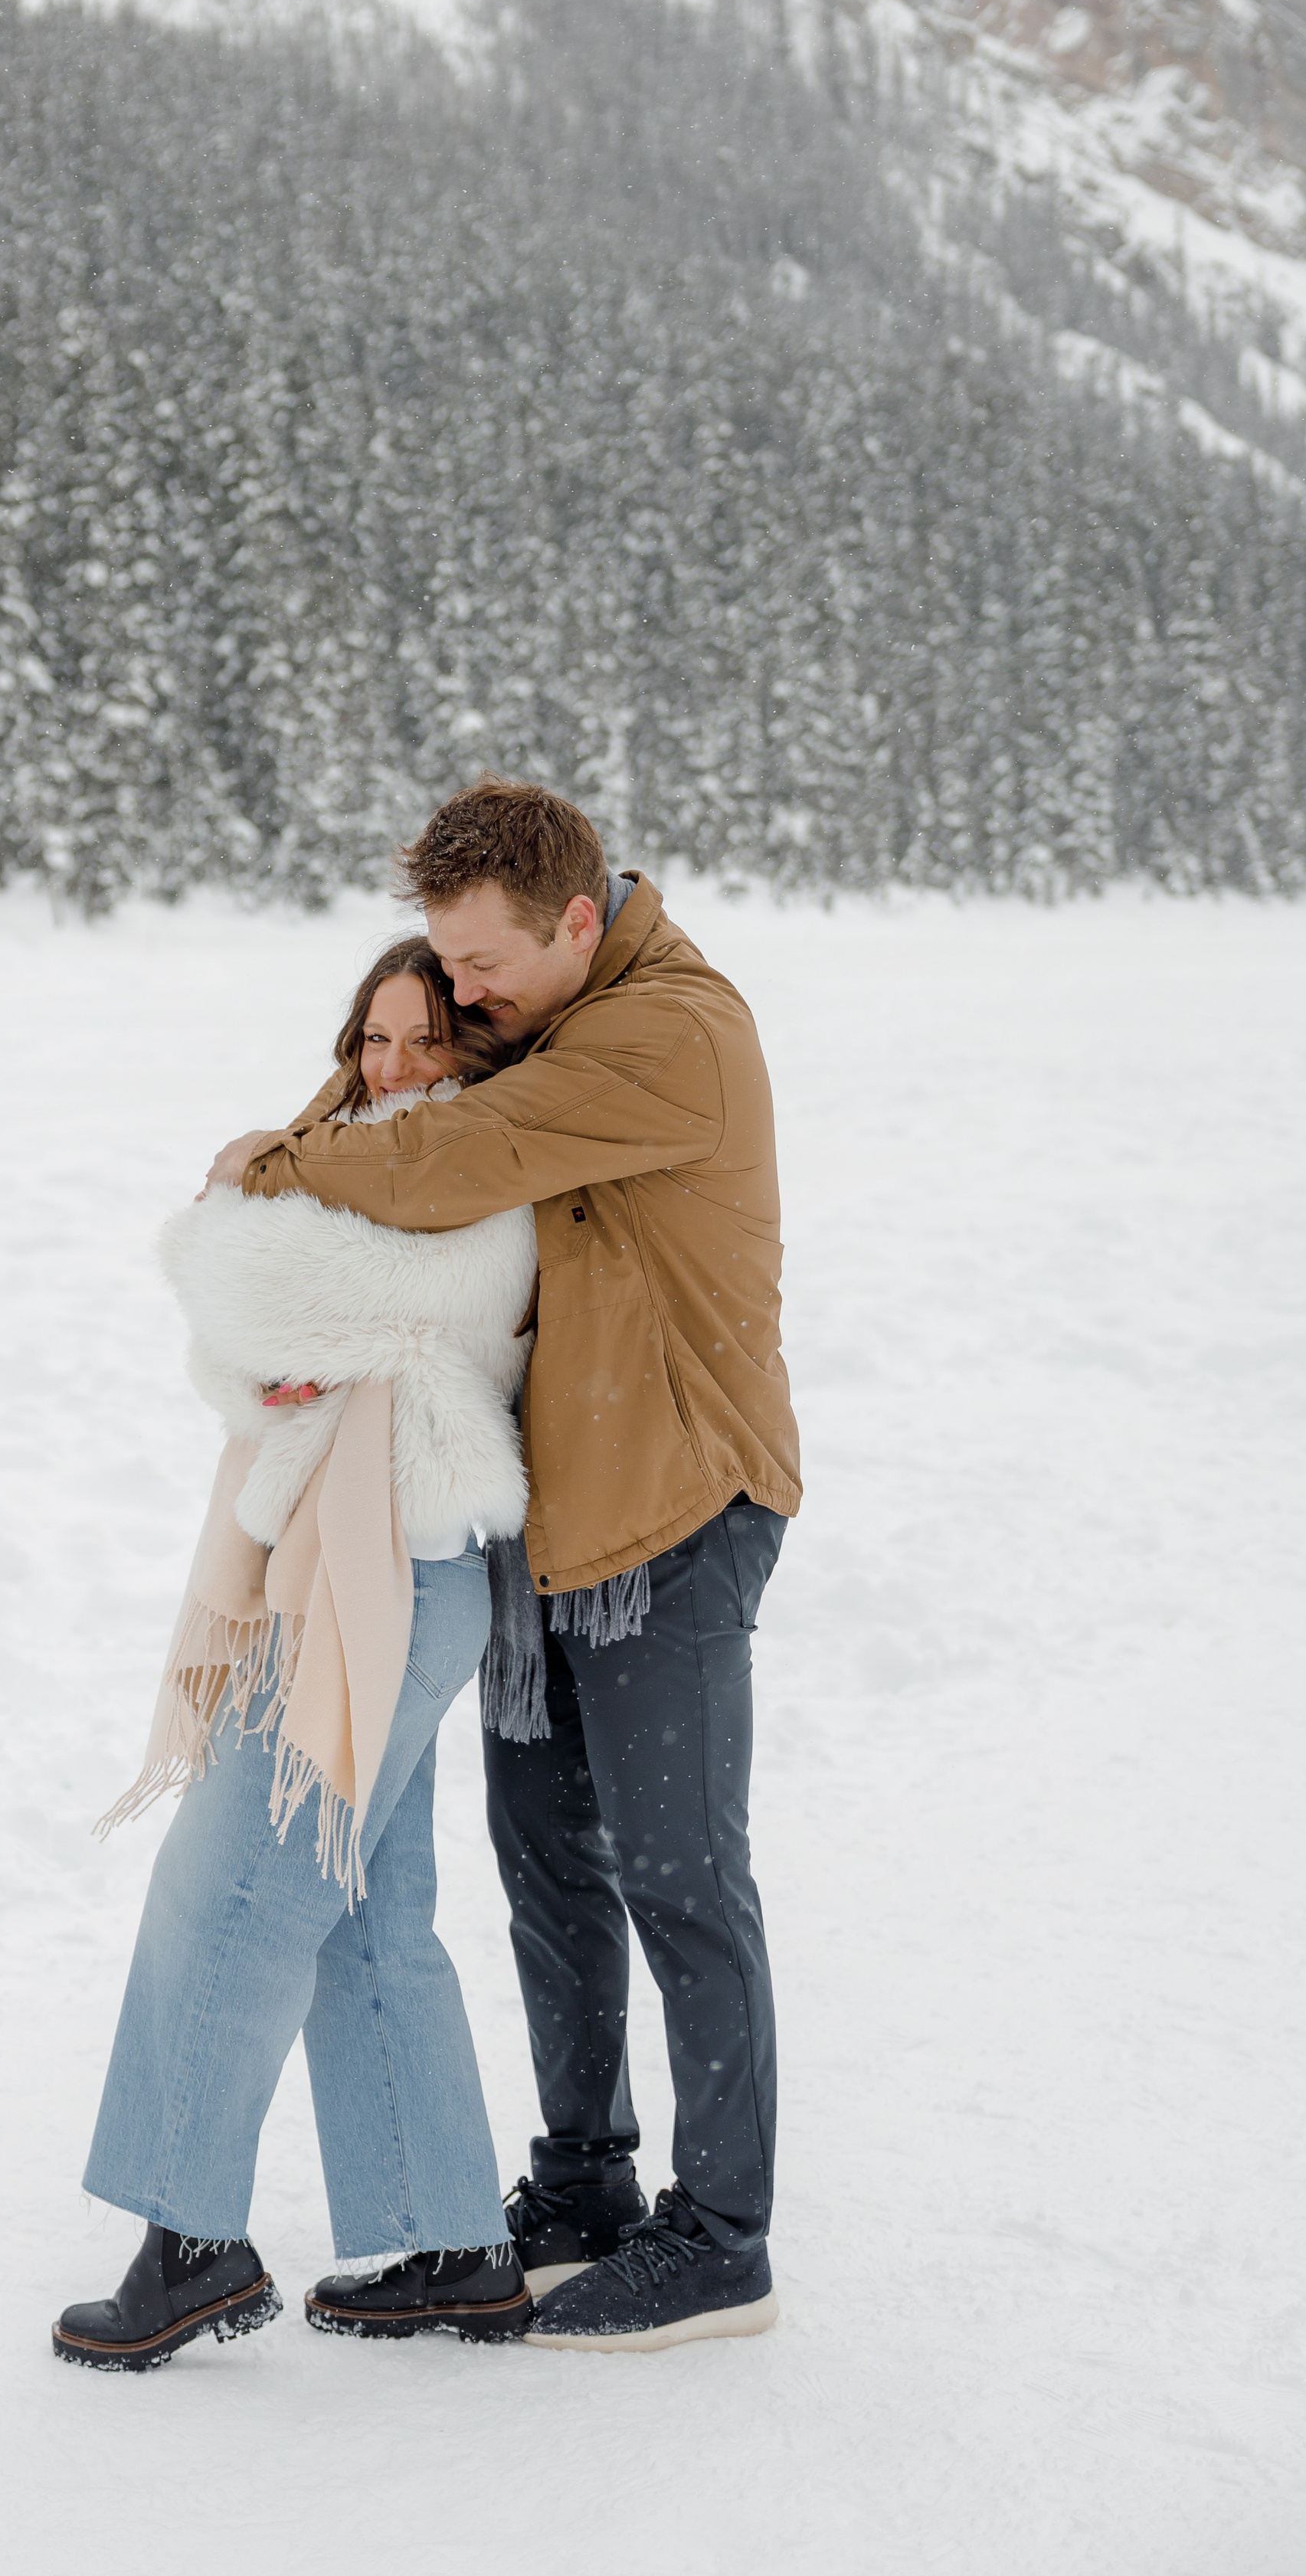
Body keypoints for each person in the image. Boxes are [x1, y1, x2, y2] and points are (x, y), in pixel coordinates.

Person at [206, 779, 801, 2352]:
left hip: (674, 1503)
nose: (460, 992)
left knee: (679, 1873)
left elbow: (447, 1159)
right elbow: (408, 1153)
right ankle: (584, 2184)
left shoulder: (665, 1032)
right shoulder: (540, 1014)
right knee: (548, 1864)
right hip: (552, 1519)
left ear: (578, 921)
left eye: (481, 964)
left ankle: (722, 2235)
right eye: (448, 961)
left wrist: (273, 1165)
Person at [54, 940, 539, 2371]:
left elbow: (257, 1296)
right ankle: (456, 2241)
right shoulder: (364, 1179)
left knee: (229, 1893)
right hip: (359, 1579)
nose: (395, 1067)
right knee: (367, 1912)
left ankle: (189, 2242)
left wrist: (250, 1186)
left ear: (473, 1052)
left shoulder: (475, 1187)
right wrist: (268, 1254)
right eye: (374, 1039)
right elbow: (247, 1355)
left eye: (426, 1039)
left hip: (386, 1584)